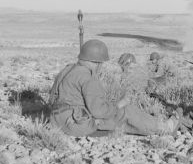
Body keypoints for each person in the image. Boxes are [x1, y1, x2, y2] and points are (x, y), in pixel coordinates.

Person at [48, 40, 178, 137]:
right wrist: (120, 104)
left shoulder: (67, 69)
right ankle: (164, 128)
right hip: (75, 126)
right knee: (125, 111)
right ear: (98, 62)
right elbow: (99, 111)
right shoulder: (88, 78)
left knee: (118, 118)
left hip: (57, 121)